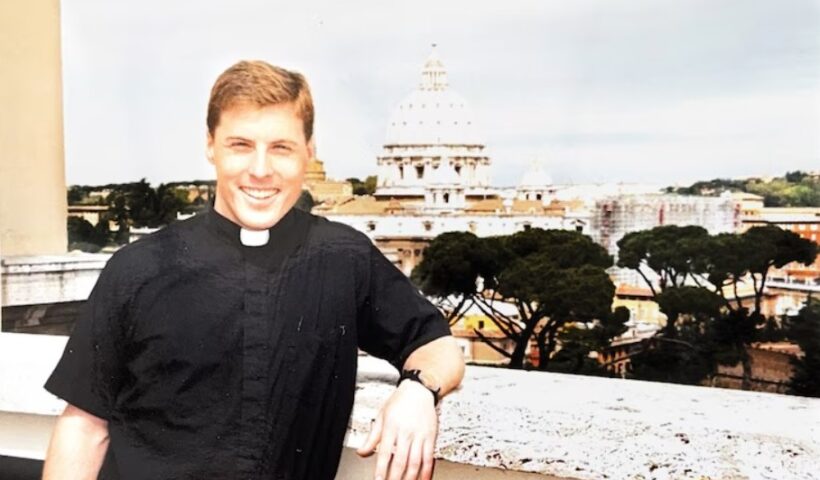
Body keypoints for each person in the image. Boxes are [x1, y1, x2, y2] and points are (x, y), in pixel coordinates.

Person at [42, 60, 465, 480]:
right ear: (211, 146)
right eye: (240, 145)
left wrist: (417, 391)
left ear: (309, 152)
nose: (260, 171)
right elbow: (83, 426)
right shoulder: (137, 267)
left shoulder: (344, 257)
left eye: (280, 147)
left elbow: (436, 344)